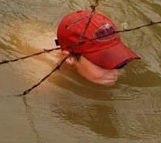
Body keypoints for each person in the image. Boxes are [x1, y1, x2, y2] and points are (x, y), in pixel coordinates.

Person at [11, 10, 141, 87]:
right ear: (70, 58)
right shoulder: (43, 79)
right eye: (104, 62)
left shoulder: (103, 32)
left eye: (120, 61)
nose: (116, 71)